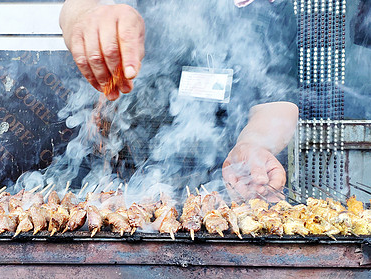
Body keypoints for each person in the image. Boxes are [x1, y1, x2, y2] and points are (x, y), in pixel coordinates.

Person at [59, 0, 298, 201]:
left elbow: (276, 102)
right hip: (118, 183)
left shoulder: (265, 8)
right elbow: (78, 7)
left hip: (223, 188)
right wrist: (88, 15)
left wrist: (254, 144)